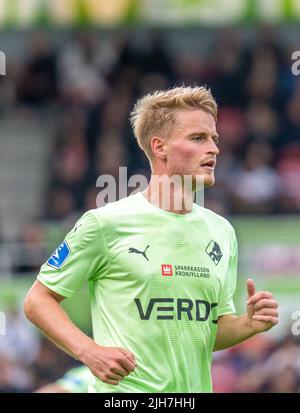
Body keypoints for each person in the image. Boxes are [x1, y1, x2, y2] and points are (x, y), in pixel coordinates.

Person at [24, 86, 279, 393]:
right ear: (160, 147)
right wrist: (88, 351)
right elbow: (38, 300)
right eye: (198, 138)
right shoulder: (105, 223)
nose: (214, 149)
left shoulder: (222, 232)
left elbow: (207, 332)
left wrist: (247, 324)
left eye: (214, 139)